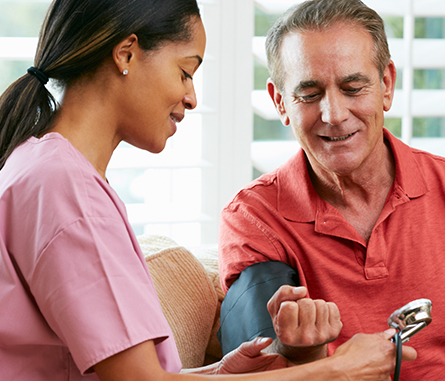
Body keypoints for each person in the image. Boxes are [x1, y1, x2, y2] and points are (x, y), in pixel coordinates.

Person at [0, 0, 415, 380]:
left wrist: (218, 374)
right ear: (126, 53)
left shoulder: (50, 170)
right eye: (185, 71)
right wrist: (338, 370)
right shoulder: (64, 187)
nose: (192, 97)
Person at [218, 0, 445, 379]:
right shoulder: (254, 219)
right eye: (309, 94)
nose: (334, 114)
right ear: (280, 102)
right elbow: (259, 372)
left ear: (386, 85)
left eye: (353, 87)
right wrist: (305, 353)